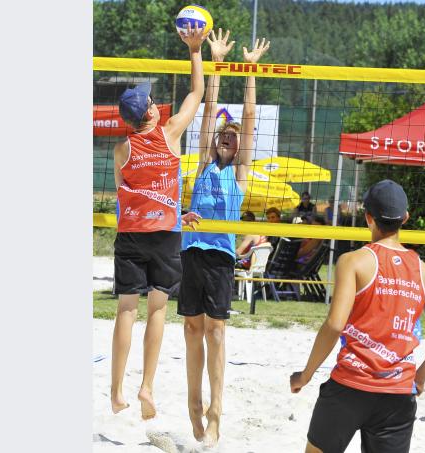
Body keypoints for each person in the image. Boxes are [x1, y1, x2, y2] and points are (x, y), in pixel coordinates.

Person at [290, 180, 425, 453]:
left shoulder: (352, 261)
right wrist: (420, 378)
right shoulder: (424, 272)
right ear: (405, 218)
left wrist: (306, 375)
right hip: (398, 396)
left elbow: (334, 325)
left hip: (350, 387)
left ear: (368, 218)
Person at [109, 24, 207, 420]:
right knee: (157, 311)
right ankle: (146, 386)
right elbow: (197, 93)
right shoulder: (170, 133)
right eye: (152, 101)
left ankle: (116, 392)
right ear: (150, 112)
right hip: (165, 234)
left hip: (132, 233)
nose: (156, 103)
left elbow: (124, 193)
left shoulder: (121, 149)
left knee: (125, 310)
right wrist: (195, 50)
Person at [177, 30, 270, 446]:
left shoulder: (239, 172)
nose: (227, 138)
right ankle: (194, 406)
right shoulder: (202, 164)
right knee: (191, 330)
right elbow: (209, 109)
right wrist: (215, 63)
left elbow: (248, 118)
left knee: (216, 331)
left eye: (232, 138)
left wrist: (249, 69)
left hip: (219, 257)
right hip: (192, 253)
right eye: (222, 135)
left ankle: (215, 413)